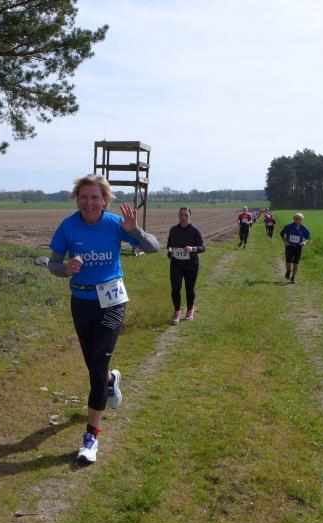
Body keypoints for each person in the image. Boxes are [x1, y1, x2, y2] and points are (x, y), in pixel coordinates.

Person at [48, 175, 159, 463]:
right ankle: (111, 379)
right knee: (95, 367)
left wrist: (134, 231)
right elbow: (53, 263)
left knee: (96, 367)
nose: (89, 202)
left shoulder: (115, 224)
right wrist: (66, 268)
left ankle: (91, 436)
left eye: (95, 197)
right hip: (81, 302)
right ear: (77, 199)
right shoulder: (68, 226)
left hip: (112, 302)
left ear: (105, 201)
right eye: (84, 197)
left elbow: (153, 247)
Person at [166, 207, 205, 324]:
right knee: (175, 288)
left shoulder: (194, 231)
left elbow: (203, 247)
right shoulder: (173, 230)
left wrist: (193, 248)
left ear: (189, 217)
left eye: (185, 215)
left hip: (191, 265)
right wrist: (170, 251)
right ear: (178, 216)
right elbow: (169, 245)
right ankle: (177, 311)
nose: (183, 217)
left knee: (189, 289)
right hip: (176, 264)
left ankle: (189, 309)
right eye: (181, 215)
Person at [280, 212, 311, 284]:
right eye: (296, 219)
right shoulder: (288, 226)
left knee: (296, 264)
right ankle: (288, 271)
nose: (297, 220)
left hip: (298, 247)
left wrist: (304, 242)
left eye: (299, 219)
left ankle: (293, 277)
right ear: (293, 219)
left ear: (301, 220)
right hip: (289, 246)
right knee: (288, 263)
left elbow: (308, 238)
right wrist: (285, 241)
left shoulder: (304, 228)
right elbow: (282, 233)